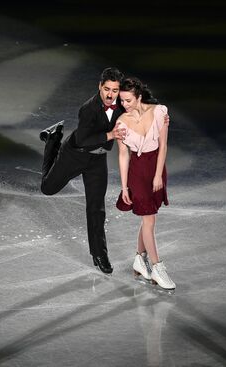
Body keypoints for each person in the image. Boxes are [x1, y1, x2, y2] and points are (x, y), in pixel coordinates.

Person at [39, 67, 127, 274]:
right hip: (75, 154)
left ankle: (99, 253)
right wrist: (110, 135)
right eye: (106, 89)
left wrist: (158, 113)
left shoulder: (122, 105)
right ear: (100, 87)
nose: (109, 94)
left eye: (114, 90)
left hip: (97, 160)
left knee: (96, 208)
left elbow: (141, 103)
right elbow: (83, 139)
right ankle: (53, 139)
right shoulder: (88, 109)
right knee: (47, 189)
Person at [115, 77, 175, 290]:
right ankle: (158, 268)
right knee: (148, 219)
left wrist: (158, 175)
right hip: (138, 173)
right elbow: (123, 155)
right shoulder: (121, 122)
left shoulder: (159, 112)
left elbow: (164, 146)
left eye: (128, 100)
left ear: (139, 96)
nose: (124, 104)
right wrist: (124, 187)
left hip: (156, 168)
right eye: (122, 101)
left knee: (149, 217)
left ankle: (140, 259)